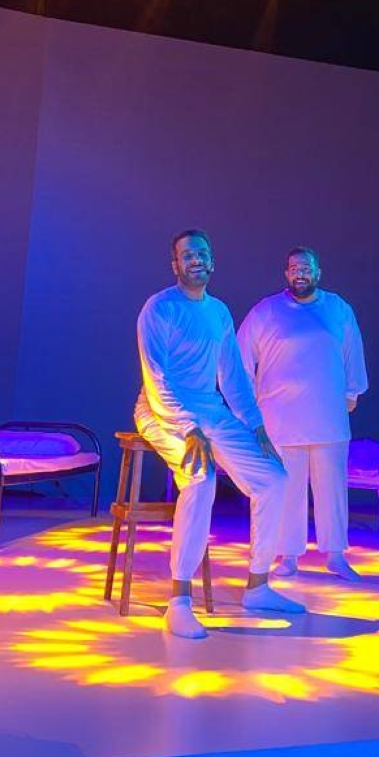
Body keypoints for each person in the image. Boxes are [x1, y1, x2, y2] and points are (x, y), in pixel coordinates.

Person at [134, 229, 305, 639]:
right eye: (187, 254)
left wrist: (256, 425)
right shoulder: (159, 308)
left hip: (209, 409)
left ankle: (258, 586)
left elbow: (233, 377)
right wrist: (188, 428)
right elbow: (156, 377)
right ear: (175, 265)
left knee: (274, 479)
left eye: (202, 253)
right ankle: (179, 601)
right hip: (161, 410)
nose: (196, 259)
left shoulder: (219, 312)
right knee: (199, 478)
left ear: (212, 262)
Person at [238, 246, 368, 581]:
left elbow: (352, 351)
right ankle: (288, 556)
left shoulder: (337, 308)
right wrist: (248, 404)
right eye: (294, 268)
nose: (300, 273)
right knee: (288, 490)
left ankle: (336, 555)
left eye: (306, 268)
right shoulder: (267, 311)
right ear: (286, 273)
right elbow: (240, 357)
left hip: (328, 416)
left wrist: (352, 391)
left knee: (332, 489)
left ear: (318, 272)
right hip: (281, 419)